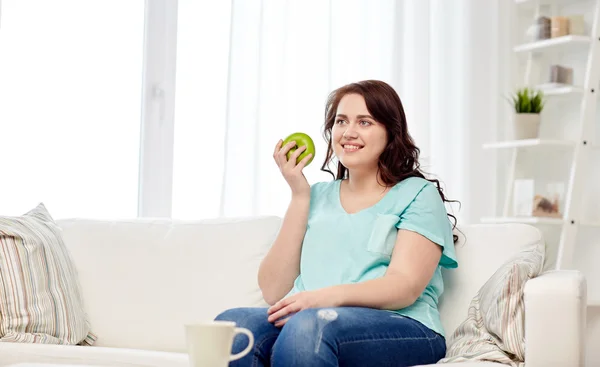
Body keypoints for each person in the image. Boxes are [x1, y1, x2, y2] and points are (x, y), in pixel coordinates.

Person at [215, 79, 459, 367]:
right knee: (234, 325)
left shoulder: (418, 194)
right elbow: (273, 291)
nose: (349, 132)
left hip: (406, 325)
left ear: (390, 133)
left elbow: (404, 286)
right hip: (311, 319)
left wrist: (324, 299)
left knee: (309, 328)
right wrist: (299, 195)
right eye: (341, 121)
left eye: (364, 122)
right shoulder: (315, 195)